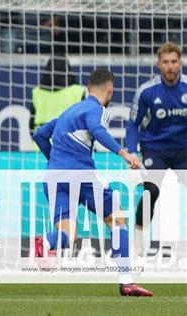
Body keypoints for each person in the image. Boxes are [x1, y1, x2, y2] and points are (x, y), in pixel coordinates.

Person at [33, 69, 153, 297]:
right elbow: (97, 130)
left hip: (53, 177)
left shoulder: (69, 112)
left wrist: (56, 161)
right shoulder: (96, 109)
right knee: (117, 219)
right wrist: (124, 153)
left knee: (68, 235)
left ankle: (45, 244)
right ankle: (126, 281)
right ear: (111, 90)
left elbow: (39, 134)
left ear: (88, 88)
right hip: (81, 175)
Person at [126, 42, 187, 255]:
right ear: (158, 64)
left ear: (180, 63)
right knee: (151, 190)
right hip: (155, 149)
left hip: (183, 151)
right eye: (166, 62)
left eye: (174, 62)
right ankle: (139, 239)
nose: (170, 66)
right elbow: (133, 124)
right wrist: (132, 152)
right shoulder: (147, 91)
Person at [31, 55, 86, 132]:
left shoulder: (37, 92)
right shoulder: (77, 91)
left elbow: (31, 123)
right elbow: (84, 122)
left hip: (40, 140)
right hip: (67, 141)